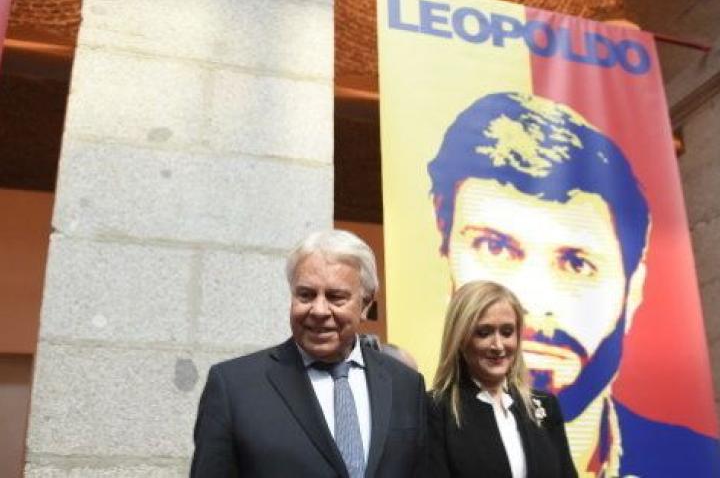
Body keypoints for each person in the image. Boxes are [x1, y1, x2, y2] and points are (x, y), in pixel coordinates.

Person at [427, 92, 720, 476]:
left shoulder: (544, 410)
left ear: (632, 290)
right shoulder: (430, 415)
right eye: (495, 247)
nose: (535, 301)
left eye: (576, 263)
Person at [191, 230, 427, 477]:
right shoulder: (235, 387)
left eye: (336, 297)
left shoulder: (406, 386)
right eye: (306, 295)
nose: (319, 310)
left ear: (366, 304)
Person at [428, 280, 577, 478]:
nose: (498, 345)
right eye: (484, 333)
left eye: (507, 332)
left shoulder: (545, 406)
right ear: (460, 339)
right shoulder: (435, 410)